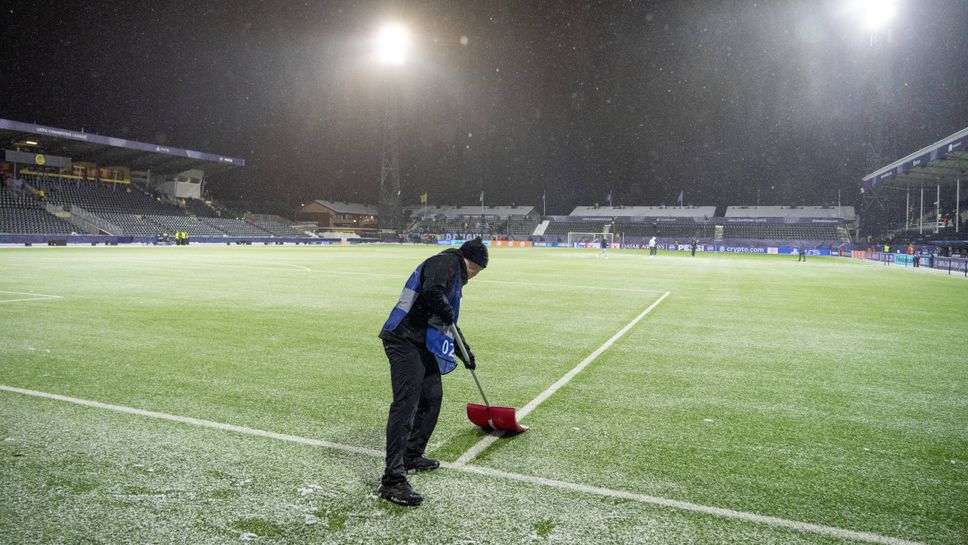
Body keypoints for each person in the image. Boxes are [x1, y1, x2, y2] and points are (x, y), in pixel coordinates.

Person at [377, 237, 488, 506]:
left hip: (420, 341)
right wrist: (445, 309)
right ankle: (392, 480)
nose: (475, 277)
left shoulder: (455, 274)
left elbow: (446, 321)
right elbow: (432, 292)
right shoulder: (445, 262)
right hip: (403, 339)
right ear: (472, 264)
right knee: (406, 405)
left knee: (432, 397)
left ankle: (412, 455)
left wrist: (465, 353)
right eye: (478, 271)